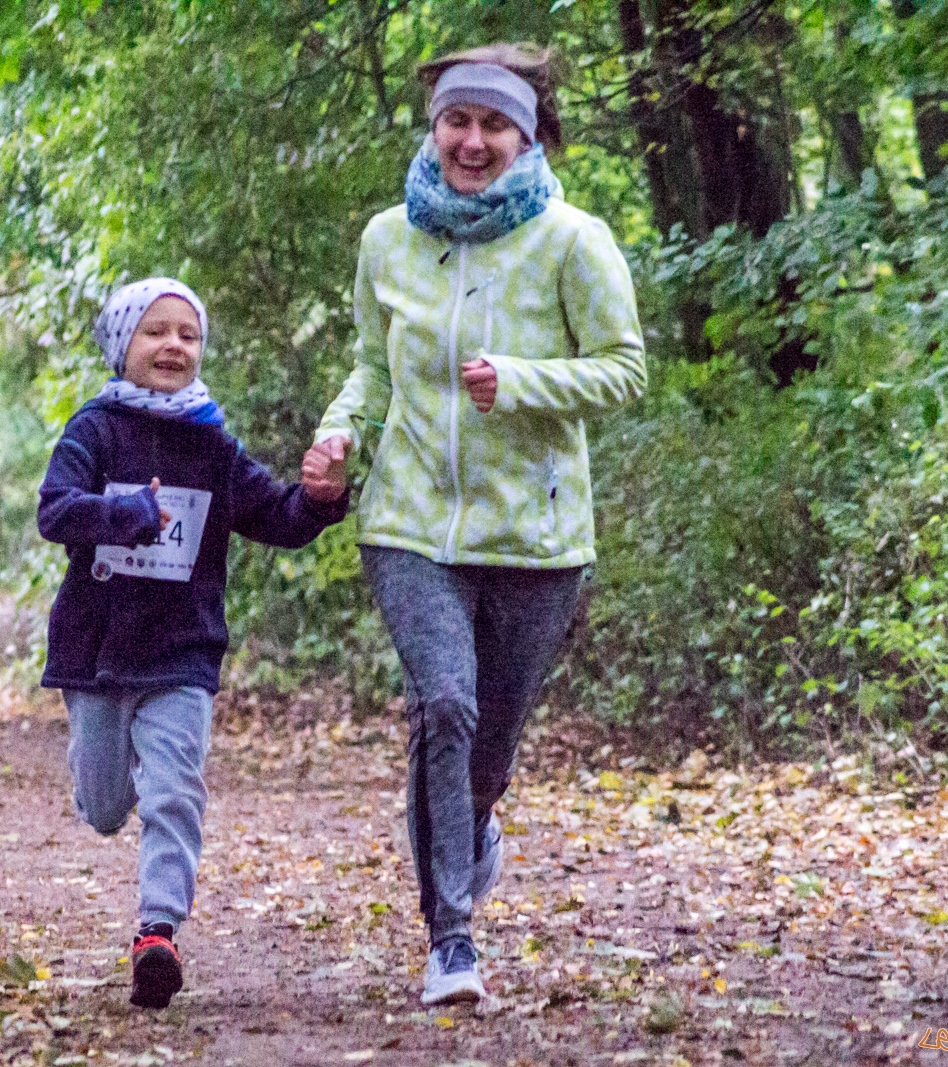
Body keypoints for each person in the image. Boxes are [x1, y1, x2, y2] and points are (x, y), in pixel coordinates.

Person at [303, 44, 646, 1006]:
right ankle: (450, 939)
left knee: (485, 751)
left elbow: (625, 369)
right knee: (443, 709)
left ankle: (474, 821)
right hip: (409, 525)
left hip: (537, 541)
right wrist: (338, 440)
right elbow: (372, 371)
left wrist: (524, 382)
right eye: (459, 120)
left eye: (496, 124)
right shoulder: (387, 240)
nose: (473, 140)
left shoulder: (574, 241)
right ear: (435, 128)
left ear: (526, 136)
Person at [38, 278, 348, 1010]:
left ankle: (157, 932)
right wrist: (125, 512)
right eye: (156, 331)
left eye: (188, 333)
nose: (173, 345)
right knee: (106, 805)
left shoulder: (211, 441)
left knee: (175, 791)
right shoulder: (96, 428)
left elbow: (276, 515)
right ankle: (103, 789)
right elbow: (55, 510)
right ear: (122, 346)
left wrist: (322, 499)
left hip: (183, 650)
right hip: (98, 650)